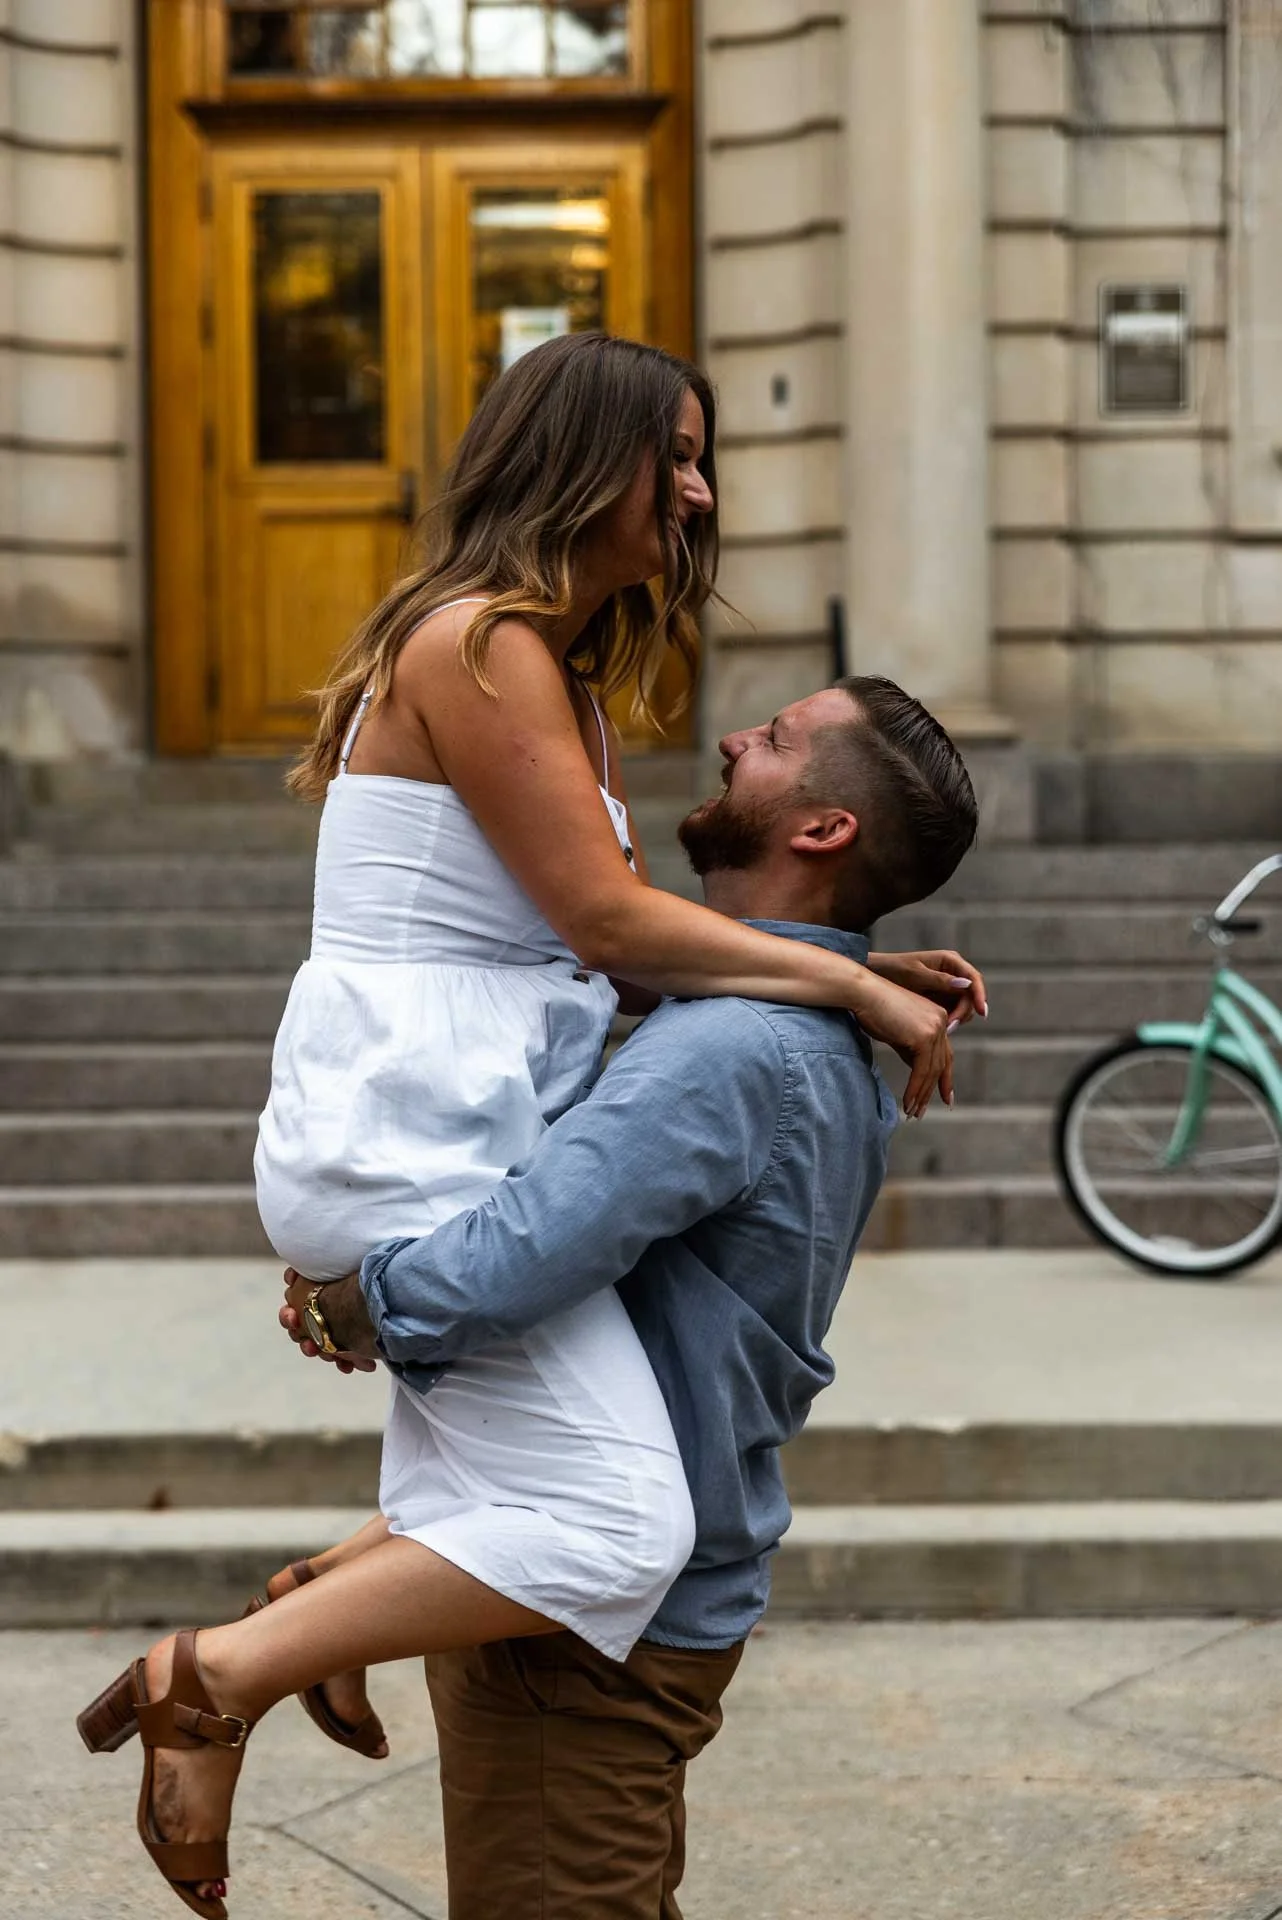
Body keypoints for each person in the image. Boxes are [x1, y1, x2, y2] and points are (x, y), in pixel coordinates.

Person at [75, 332, 977, 1919]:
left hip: (462, 1116)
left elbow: (589, 952)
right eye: (677, 455)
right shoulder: (479, 641)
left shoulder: (546, 675)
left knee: (552, 1469)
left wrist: (834, 965)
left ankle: (341, 1621)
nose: (700, 490)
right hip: (408, 1127)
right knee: (622, 1517)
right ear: (583, 460)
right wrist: (837, 989)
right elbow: (603, 920)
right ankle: (214, 1677)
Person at [274, 674, 980, 1918]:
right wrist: (852, 967)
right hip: (636, 1597)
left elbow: (506, 1267)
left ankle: (218, 1674)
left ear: (822, 831)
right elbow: (646, 1329)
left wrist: (348, 1303)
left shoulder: (727, 1052)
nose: (730, 738)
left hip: (584, 1629)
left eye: (773, 742)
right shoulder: (780, 1025)